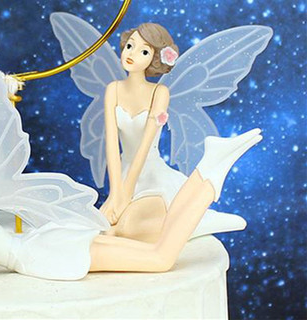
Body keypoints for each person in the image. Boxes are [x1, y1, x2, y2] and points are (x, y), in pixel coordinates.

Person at [0, 129, 261, 280]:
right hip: (46, 245)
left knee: (161, 258)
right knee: (157, 250)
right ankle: (208, 171)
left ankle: (208, 176)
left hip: (43, 254)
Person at [100, 23, 245, 241]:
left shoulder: (160, 92)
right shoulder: (113, 89)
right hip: (122, 175)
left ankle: (200, 222)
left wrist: (126, 194)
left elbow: (145, 146)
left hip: (151, 174)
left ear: (155, 59)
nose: (132, 54)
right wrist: (115, 193)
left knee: (129, 227)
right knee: (106, 223)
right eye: (130, 46)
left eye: (144, 51)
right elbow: (111, 144)